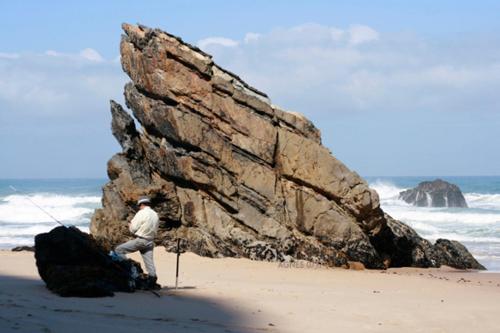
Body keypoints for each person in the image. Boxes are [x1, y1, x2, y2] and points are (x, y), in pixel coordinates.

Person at [115, 196, 160, 283]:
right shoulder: (155, 214)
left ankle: (129, 270)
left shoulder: (141, 213)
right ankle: (152, 279)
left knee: (118, 250)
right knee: (149, 262)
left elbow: (133, 229)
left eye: (139, 205)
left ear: (141, 204)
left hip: (141, 240)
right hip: (150, 241)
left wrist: (130, 226)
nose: (139, 207)